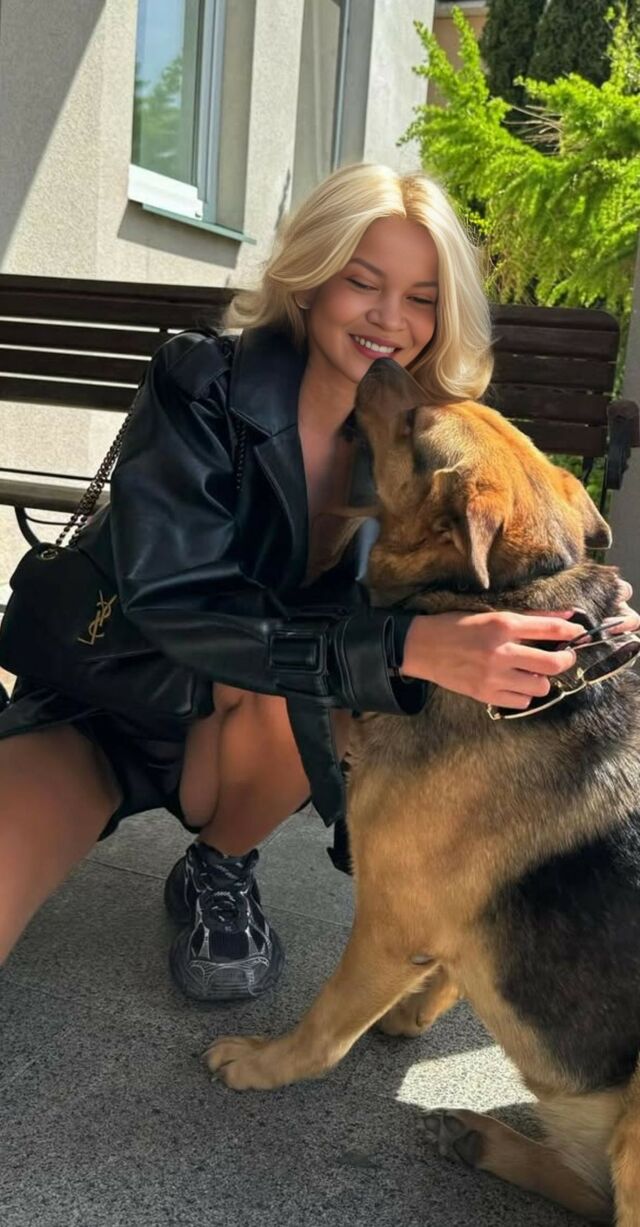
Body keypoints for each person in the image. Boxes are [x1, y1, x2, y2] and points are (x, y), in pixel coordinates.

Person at [0, 163, 636, 1002]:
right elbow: (176, 601)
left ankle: (221, 863)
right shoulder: (202, 381)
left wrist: (583, 615)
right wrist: (403, 646)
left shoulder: (426, 442)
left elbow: (504, 566)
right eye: (361, 281)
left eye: (420, 297)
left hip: (259, 733)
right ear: (310, 278)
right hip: (109, 698)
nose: (390, 318)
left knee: (308, 687)